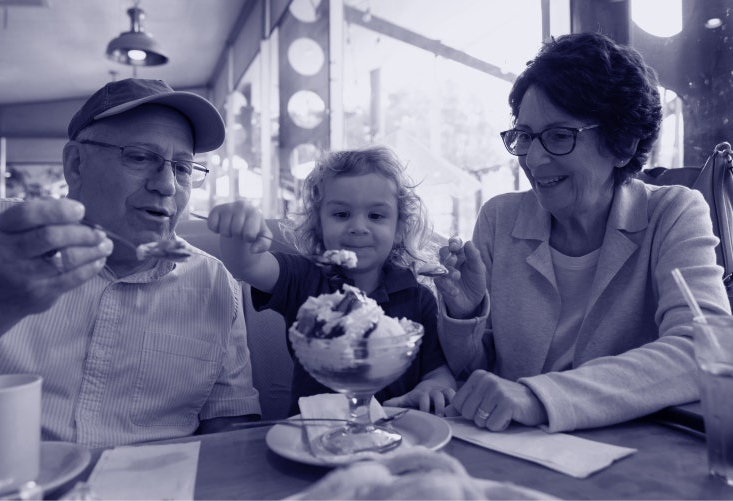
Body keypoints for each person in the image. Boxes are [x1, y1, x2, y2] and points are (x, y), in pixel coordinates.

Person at [436, 32, 731, 433]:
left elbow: (706, 348)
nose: (535, 159)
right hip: (513, 454)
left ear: (623, 143)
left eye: (559, 136)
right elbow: (476, 371)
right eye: (524, 136)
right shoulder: (499, 219)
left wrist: (539, 397)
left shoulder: (674, 213)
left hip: (627, 464)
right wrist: (466, 314)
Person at [0, 78, 261, 448]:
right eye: (140, 156)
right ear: (76, 164)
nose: (166, 185)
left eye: (182, 167)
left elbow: (230, 424)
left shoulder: (214, 282)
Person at [207, 146, 456, 416]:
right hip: (317, 434)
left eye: (376, 216)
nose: (358, 227)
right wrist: (239, 232)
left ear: (398, 229)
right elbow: (249, 264)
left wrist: (432, 387)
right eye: (341, 214)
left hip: (395, 434)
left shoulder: (417, 297)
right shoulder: (306, 277)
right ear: (319, 224)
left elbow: (439, 372)